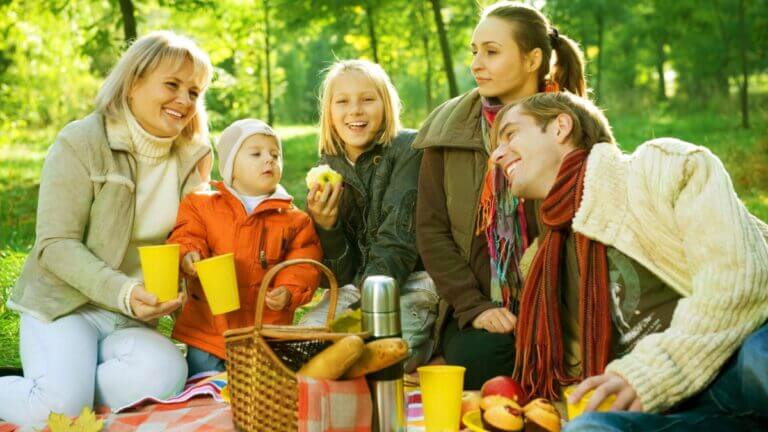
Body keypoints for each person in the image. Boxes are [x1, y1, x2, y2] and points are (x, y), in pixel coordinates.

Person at [488, 91, 768, 430]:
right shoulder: (541, 263)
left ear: (561, 126)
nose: (497, 155)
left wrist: (650, 374)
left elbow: (739, 284)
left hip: (742, 355)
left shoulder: (662, 167)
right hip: (677, 411)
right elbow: (577, 373)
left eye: (510, 134)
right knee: (588, 428)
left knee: (760, 361)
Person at [0, 31, 214, 426]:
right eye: (172, 85)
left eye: (194, 92)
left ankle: (59, 384)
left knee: (168, 375)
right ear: (134, 82)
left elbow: (194, 233)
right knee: (62, 414)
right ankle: (54, 391)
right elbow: (55, 245)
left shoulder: (192, 156)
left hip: (132, 317)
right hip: (66, 305)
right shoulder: (82, 141)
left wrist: (190, 263)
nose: (184, 100)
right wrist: (125, 292)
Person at [413, 0, 587, 388]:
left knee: (580, 354)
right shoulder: (447, 130)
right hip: (480, 305)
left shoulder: (571, 127)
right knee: (485, 360)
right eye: (475, 52)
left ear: (532, 59)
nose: (477, 64)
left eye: (492, 52)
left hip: (561, 301)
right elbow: (431, 230)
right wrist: (473, 307)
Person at [299, 59, 434, 372]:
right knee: (303, 346)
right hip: (353, 288)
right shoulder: (330, 164)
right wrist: (327, 226)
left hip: (410, 283)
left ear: (385, 105)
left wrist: (356, 318)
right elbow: (340, 275)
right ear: (329, 113)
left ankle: (426, 347)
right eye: (342, 101)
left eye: (367, 99)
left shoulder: (408, 150)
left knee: (376, 362)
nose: (355, 110)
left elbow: (398, 243)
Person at [167, 119, 322, 376]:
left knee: (261, 393)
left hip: (266, 335)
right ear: (231, 167)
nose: (269, 160)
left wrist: (288, 290)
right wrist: (188, 256)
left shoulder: (295, 220)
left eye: (275, 154)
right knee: (203, 386)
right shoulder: (201, 205)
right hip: (209, 332)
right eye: (256, 153)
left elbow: (304, 263)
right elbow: (186, 235)